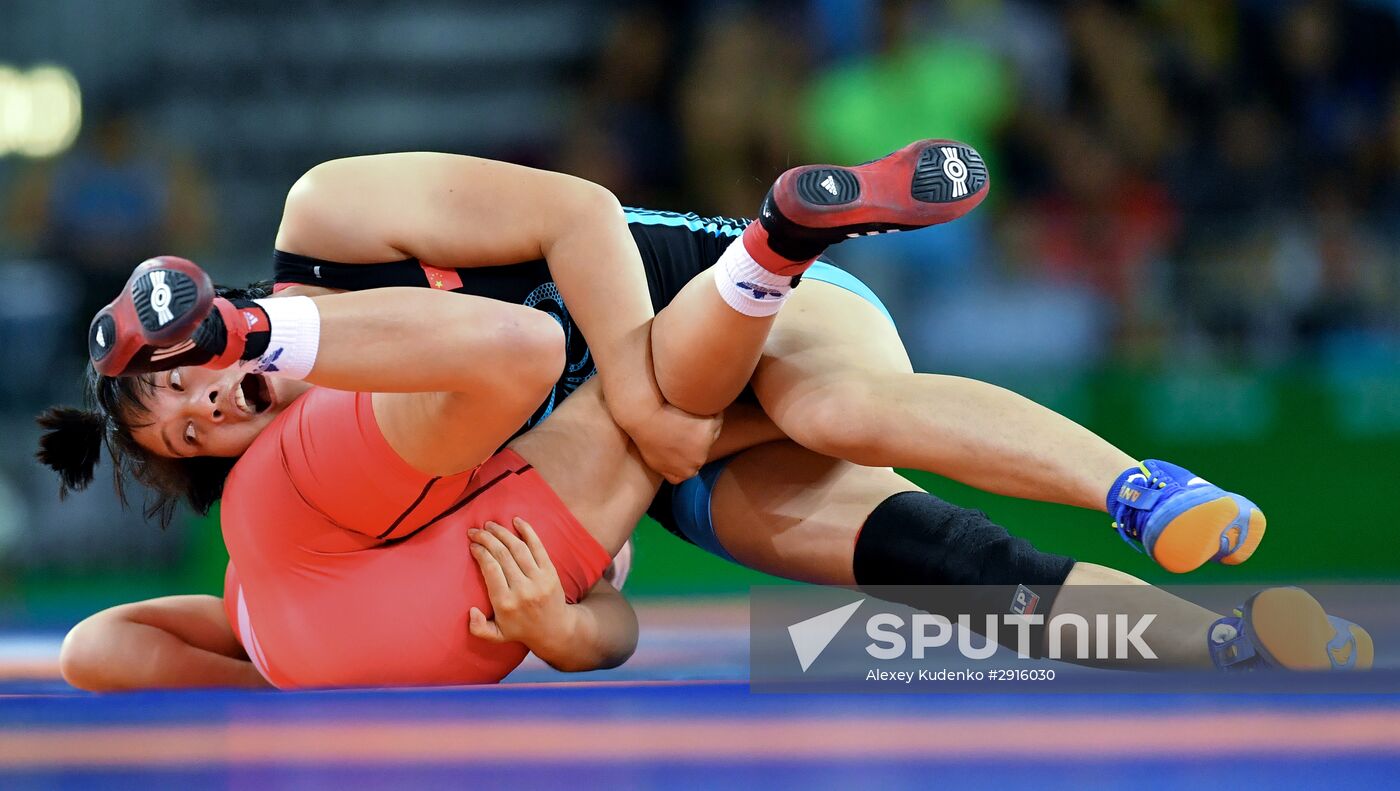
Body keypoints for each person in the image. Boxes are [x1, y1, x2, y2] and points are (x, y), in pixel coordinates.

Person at [43, 141, 1366, 690]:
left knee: (845, 406)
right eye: (194, 430)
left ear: (215, 312)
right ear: (223, 466)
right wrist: (561, 632)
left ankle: (1138, 485)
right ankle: (1230, 646)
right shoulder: (358, 487)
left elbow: (572, 215)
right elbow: (604, 586)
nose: (213, 408)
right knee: (934, 569)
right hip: (659, 440)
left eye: (191, 378)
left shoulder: (329, 223)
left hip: (683, 301)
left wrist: (628, 388)